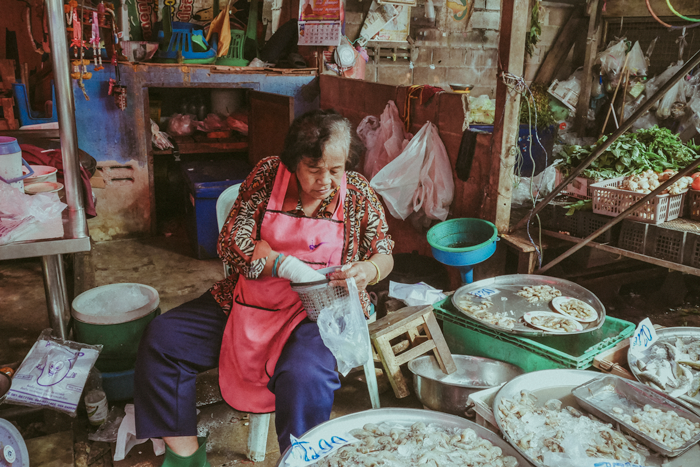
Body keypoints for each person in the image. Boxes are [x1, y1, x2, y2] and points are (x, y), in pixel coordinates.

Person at [134, 109, 394, 466]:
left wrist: (369, 269)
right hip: (250, 303)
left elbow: (384, 251)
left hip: (319, 315)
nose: (326, 181)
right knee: (163, 338)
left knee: (305, 375)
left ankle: (300, 461)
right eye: (314, 169)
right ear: (294, 161)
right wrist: (280, 264)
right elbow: (230, 242)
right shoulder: (268, 175)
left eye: (335, 170)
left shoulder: (358, 194)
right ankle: (186, 457)